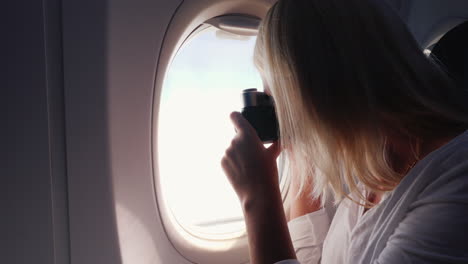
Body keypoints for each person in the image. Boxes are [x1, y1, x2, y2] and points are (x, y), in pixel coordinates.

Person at [220, 0, 468, 263]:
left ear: (318, 91)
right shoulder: (380, 163)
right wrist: (296, 149)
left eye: (280, 95)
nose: (279, 109)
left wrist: (257, 199)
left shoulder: (456, 181)